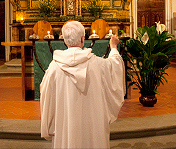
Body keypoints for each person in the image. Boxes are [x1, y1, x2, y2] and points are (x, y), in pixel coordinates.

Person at [40, 21, 125, 149]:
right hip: (92, 127)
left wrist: (49, 125)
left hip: (66, 128)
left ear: (65, 40)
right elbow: (114, 66)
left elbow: (46, 97)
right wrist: (113, 47)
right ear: (82, 38)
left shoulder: (54, 68)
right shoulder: (97, 64)